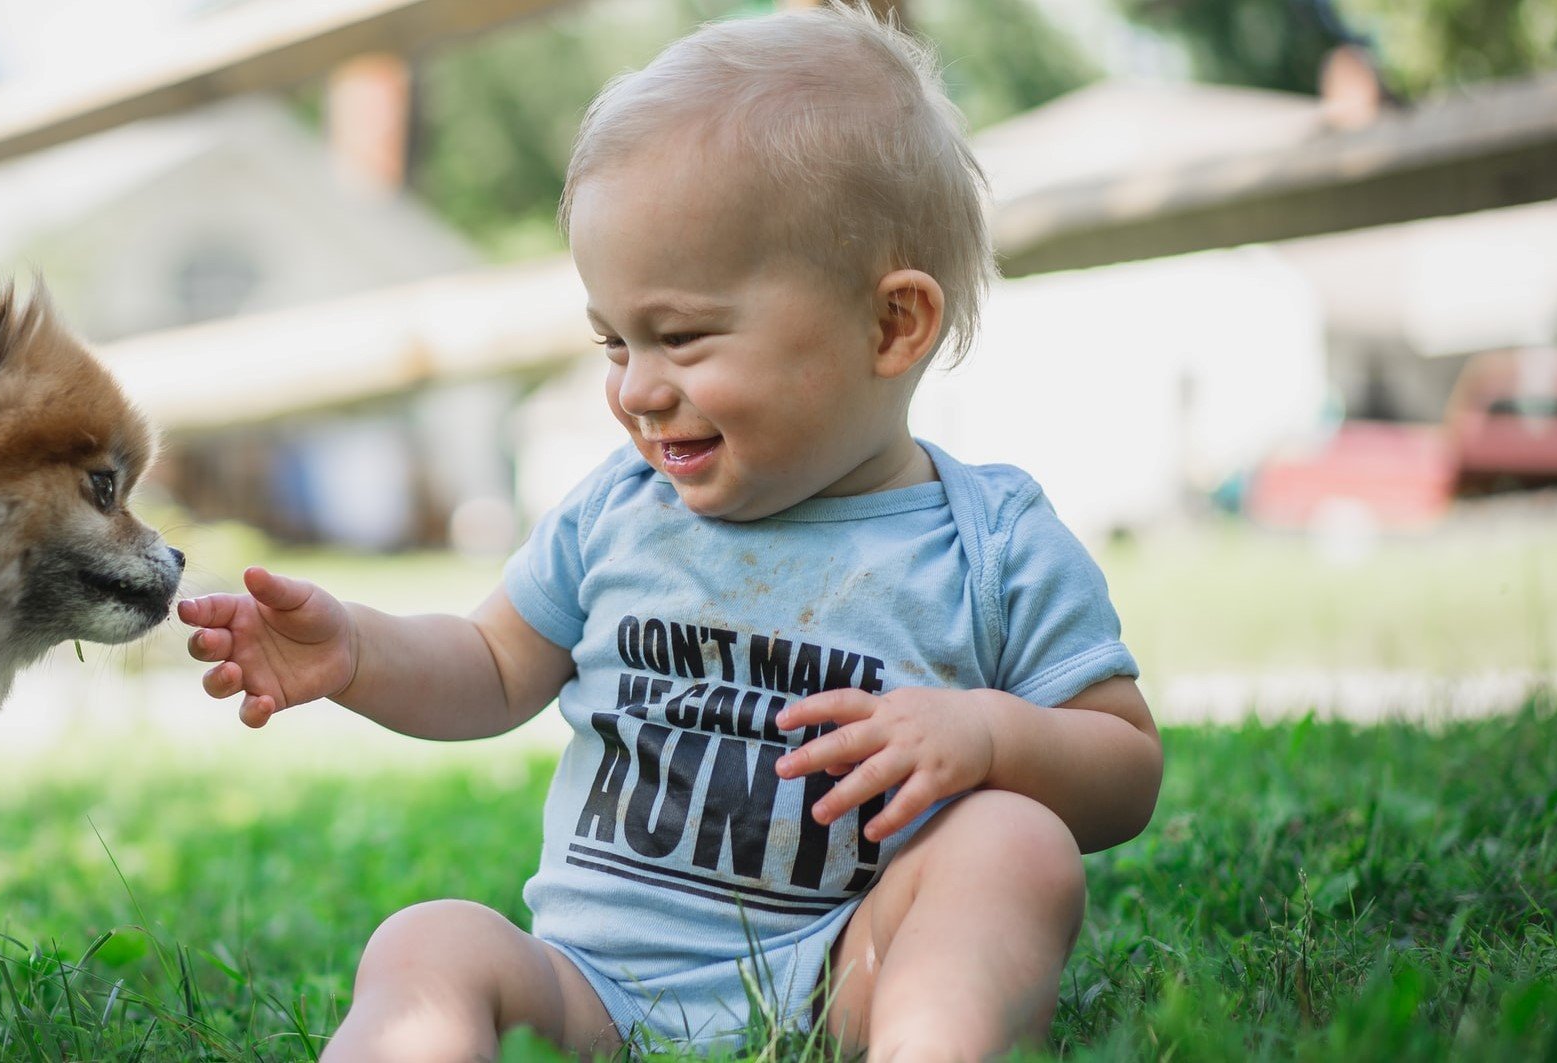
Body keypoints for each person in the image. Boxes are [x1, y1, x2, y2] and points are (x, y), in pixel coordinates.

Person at [176, 5, 1162, 1059]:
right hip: (590, 995)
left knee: (1014, 843)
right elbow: (488, 664)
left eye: (680, 337)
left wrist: (990, 739)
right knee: (429, 942)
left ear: (890, 324)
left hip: (846, 978)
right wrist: (361, 652)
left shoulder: (989, 542)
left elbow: (1123, 764)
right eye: (612, 340)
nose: (637, 389)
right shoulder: (616, 511)